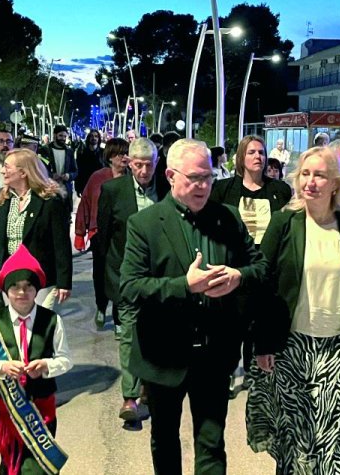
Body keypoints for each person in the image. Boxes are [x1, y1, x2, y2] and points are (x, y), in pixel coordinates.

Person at [120, 138, 266, 474]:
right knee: (165, 439)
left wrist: (237, 276)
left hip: (215, 354)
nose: (203, 185)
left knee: (211, 444)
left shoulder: (228, 218)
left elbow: (260, 266)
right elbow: (129, 287)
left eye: (209, 177)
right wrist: (183, 285)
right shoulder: (144, 224)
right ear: (171, 175)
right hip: (163, 355)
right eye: (195, 178)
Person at [246, 146, 340, 474]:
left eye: (319, 174)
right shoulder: (284, 222)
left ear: (335, 182)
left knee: (338, 443)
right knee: (296, 442)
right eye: (305, 174)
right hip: (293, 347)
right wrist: (263, 343)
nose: (311, 181)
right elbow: (264, 283)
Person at [0, 245, 73, 475]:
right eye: (15, 287)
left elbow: (66, 359)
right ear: (6, 290)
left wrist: (47, 366)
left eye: (28, 287)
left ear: (37, 290)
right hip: (6, 409)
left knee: (38, 466)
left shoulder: (52, 321)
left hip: (42, 408)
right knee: (10, 462)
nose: (22, 293)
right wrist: (2, 367)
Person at [210, 135, 293, 396]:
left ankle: (254, 372)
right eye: (252, 152)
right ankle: (225, 372)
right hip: (235, 265)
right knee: (232, 325)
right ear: (241, 158)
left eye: (261, 152)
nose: (258, 157)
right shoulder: (223, 189)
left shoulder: (279, 190)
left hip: (268, 266)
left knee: (261, 322)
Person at [95, 137, 168, 425]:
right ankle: (129, 396)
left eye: (149, 164)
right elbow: (103, 237)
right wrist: (107, 278)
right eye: (138, 165)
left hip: (161, 277)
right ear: (128, 163)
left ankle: (150, 387)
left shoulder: (167, 188)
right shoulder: (113, 190)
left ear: (157, 163)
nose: (143, 170)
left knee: (156, 335)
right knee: (128, 337)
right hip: (126, 276)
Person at [0, 148, 72, 309]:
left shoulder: (50, 201)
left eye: (8, 167)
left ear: (23, 172)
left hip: (40, 278)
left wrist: (64, 282)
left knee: (36, 329)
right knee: (13, 329)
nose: (3, 171)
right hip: (8, 276)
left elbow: (61, 245)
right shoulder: (1, 199)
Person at [74, 138, 129, 328]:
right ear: (110, 156)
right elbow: (85, 204)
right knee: (100, 272)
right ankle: (101, 305)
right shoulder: (98, 177)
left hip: (123, 233)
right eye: (120, 153)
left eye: (126, 152)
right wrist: (80, 233)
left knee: (120, 273)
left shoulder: (132, 176)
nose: (124, 157)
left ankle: (118, 315)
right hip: (99, 233)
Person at [39, 125, 78, 213]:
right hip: (49, 188)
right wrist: (51, 175)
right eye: (60, 136)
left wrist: (69, 176)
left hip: (65, 190)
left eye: (65, 136)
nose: (63, 138)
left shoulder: (69, 152)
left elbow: (75, 171)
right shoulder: (45, 150)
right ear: (55, 135)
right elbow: (40, 168)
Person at [75, 129, 105, 197]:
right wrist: (78, 188)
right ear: (88, 138)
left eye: (96, 136)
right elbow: (78, 171)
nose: (94, 138)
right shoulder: (82, 153)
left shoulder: (103, 153)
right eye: (91, 136)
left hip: (100, 186)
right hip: (85, 186)